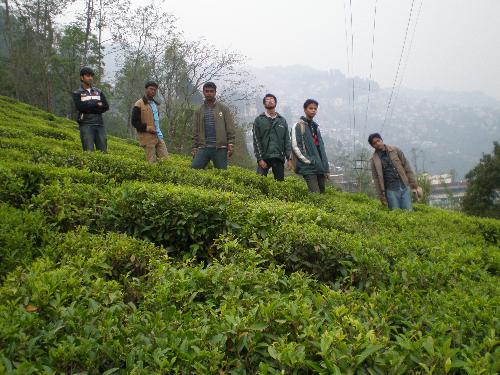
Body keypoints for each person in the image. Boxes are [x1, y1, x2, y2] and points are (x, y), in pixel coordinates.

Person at [368, 133, 418, 210]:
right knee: (396, 213)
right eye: (374, 143)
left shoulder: (395, 150)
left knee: (408, 212)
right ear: (372, 146)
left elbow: (407, 166)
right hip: (390, 191)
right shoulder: (374, 160)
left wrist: (414, 185)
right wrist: (381, 196)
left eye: (378, 141)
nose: (377, 144)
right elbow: (376, 179)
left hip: (404, 187)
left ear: (382, 140)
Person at [191, 82, 235, 169]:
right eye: (207, 91)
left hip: (220, 147)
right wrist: (194, 147)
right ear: (203, 92)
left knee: (222, 173)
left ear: (215, 92)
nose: (209, 93)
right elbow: (195, 130)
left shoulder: (223, 108)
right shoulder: (199, 111)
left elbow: (230, 127)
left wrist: (231, 143)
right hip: (203, 147)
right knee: (195, 168)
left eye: (211, 91)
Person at [291, 99, 330, 193]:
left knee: (322, 193)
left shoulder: (316, 127)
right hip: (308, 167)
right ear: (305, 110)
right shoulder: (298, 126)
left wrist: (326, 168)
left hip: (320, 167)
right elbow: (296, 147)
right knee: (315, 193)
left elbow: (321, 149)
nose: (313, 110)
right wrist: (309, 161)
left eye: (315, 109)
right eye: (310, 108)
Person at [252, 93, 292, 181]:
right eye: (267, 100)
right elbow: (256, 140)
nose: (270, 101)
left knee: (280, 184)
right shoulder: (259, 120)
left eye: (272, 99)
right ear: (264, 104)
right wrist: (260, 159)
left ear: (276, 103)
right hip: (264, 156)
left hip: (278, 156)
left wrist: (289, 158)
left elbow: (287, 141)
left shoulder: (282, 120)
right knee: (259, 181)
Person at [72, 67, 109, 152]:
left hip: (99, 124)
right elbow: (80, 107)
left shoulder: (98, 91)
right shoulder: (77, 93)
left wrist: (89, 106)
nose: (90, 78)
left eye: (91, 76)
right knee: (89, 151)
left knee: (103, 151)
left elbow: (106, 106)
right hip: (86, 124)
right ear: (82, 77)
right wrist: (96, 103)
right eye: (88, 76)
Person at [131, 81, 169, 163]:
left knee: (166, 161)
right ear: (145, 89)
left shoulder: (156, 105)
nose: (153, 91)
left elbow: (156, 121)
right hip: (147, 137)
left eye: (155, 90)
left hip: (158, 135)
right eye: (151, 89)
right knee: (151, 162)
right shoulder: (139, 104)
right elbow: (134, 122)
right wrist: (147, 128)